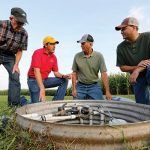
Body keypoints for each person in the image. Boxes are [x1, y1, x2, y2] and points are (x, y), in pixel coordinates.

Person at [115, 17, 150, 105]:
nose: (121, 31)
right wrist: (137, 68)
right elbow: (122, 67)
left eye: (124, 28)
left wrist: (137, 69)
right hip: (137, 78)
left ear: (134, 27)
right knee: (142, 105)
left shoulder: (148, 36)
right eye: (120, 30)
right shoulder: (120, 47)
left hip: (145, 71)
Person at [27, 36, 70, 103]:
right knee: (37, 105)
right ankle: (23, 100)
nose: (54, 46)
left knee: (64, 80)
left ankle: (56, 103)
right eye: (52, 44)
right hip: (33, 80)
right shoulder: (37, 53)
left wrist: (63, 76)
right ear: (46, 45)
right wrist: (42, 88)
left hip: (45, 80)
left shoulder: (54, 57)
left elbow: (56, 73)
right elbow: (36, 71)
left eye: (55, 44)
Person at [0, 7, 28, 106]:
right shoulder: (1, 24)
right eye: (19, 22)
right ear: (11, 18)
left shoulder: (24, 33)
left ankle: (13, 105)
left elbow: (20, 50)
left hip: (10, 55)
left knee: (15, 76)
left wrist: (16, 64)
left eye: (22, 23)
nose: (21, 25)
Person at [72, 34, 112, 100]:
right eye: (81, 44)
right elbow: (74, 73)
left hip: (94, 86)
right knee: (76, 105)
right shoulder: (77, 56)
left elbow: (104, 74)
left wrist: (107, 92)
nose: (81, 45)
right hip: (80, 86)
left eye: (83, 43)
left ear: (91, 44)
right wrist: (74, 89)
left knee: (100, 105)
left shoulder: (99, 56)